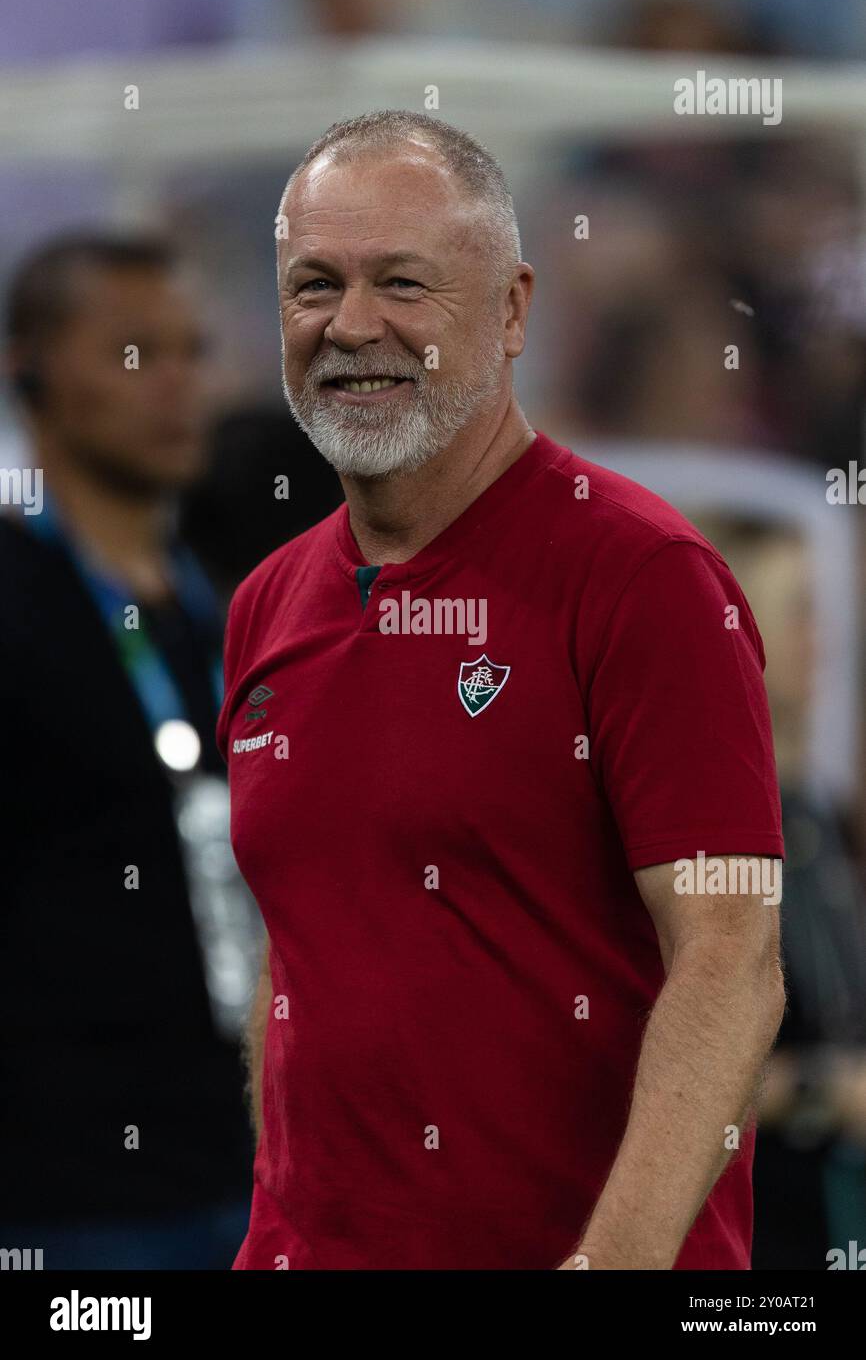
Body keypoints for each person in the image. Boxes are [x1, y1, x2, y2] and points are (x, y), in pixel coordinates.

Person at [218, 111, 786, 1270]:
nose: (351, 325)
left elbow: (729, 956)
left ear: (514, 307)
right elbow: (298, 942)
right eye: (313, 284)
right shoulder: (265, 606)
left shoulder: (644, 578)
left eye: (403, 283)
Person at [0, 234, 254, 1268]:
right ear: (31, 373)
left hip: (241, 1164)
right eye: (136, 354)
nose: (178, 385)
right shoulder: (14, 606)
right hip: (61, 1196)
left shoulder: (231, 610)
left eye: (191, 351)